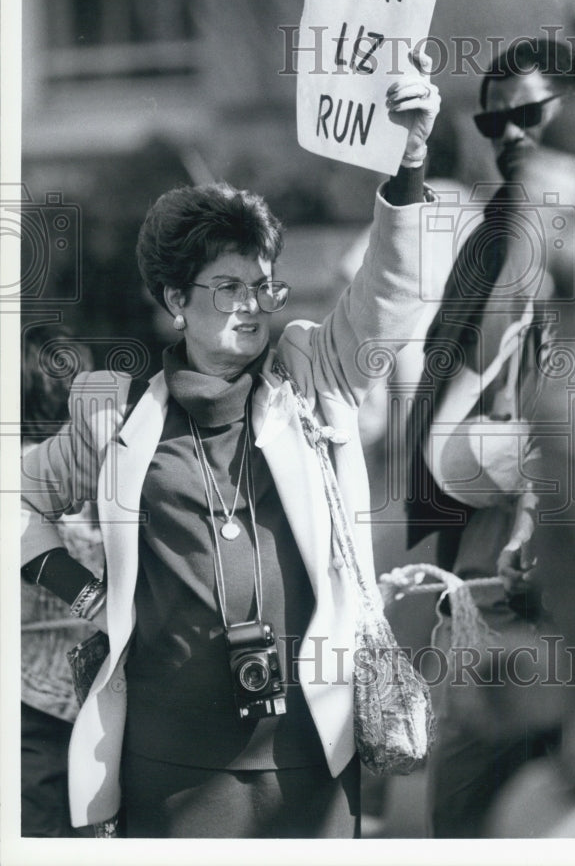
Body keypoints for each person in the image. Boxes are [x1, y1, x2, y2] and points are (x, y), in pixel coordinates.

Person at [19, 51, 440, 838]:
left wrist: (410, 162)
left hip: (311, 753)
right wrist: (84, 593)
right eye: (227, 287)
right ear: (176, 300)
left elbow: (388, 304)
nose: (253, 305)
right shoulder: (112, 417)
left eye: (262, 284)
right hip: (168, 772)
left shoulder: (313, 371)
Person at [405, 37, 575, 837]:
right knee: (460, 820)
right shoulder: (490, 249)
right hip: (483, 618)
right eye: (492, 120)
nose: (509, 134)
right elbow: (443, 434)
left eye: (528, 114)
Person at [20, 325, 103, 837]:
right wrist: (101, 603)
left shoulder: (93, 469)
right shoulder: (90, 473)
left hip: (81, 709)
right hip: (40, 710)